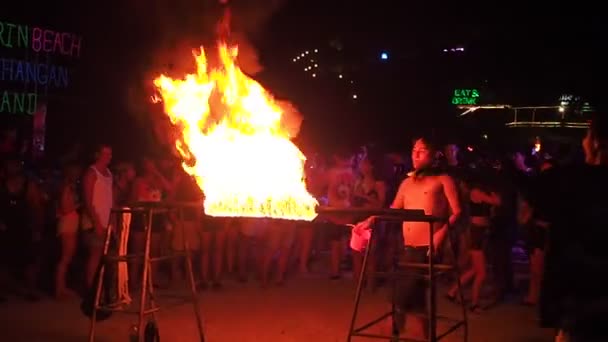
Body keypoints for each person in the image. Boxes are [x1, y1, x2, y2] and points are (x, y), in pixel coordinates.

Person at [354, 135, 461, 339]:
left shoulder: (443, 180)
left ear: (434, 155)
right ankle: (424, 336)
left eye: (422, 150)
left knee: (400, 293)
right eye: (414, 150)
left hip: (428, 248)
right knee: (417, 299)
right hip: (409, 247)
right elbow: (394, 210)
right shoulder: (406, 183)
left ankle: (392, 327)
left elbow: (457, 212)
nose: (416, 154)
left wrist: (440, 235)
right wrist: (373, 219)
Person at [533, 112, 608, 341]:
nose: (583, 142)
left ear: (597, 142)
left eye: (587, 135)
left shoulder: (583, 189)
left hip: (586, 304)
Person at [82, 144, 113, 289]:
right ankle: (89, 289)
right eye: (105, 154)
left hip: (107, 221)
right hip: (94, 222)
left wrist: (113, 221)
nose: (108, 157)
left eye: (110, 154)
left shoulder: (109, 173)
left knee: (103, 256)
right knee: (95, 255)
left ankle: (99, 288)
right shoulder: (91, 173)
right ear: (97, 155)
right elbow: (87, 201)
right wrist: (96, 222)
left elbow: (110, 199)